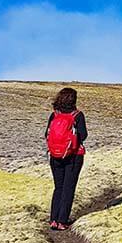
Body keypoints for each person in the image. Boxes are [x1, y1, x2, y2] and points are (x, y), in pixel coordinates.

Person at [45, 87, 87, 230]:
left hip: (55, 156)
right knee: (68, 188)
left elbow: (47, 134)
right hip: (73, 156)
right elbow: (84, 135)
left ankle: (53, 220)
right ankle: (62, 221)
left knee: (59, 187)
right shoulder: (78, 115)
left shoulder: (54, 115)